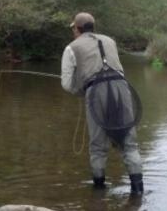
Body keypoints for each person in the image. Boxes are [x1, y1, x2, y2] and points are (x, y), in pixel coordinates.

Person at [61, 12, 144, 193]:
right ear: (93, 26)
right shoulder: (110, 41)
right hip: (123, 88)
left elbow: (67, 84)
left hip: (95, 92)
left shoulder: (71, 48)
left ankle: (99, 192)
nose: (73, 31)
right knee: (129, 144)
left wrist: (83, 90)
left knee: (98, 146)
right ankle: (138, 192)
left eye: (73, 28)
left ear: (77, 28)